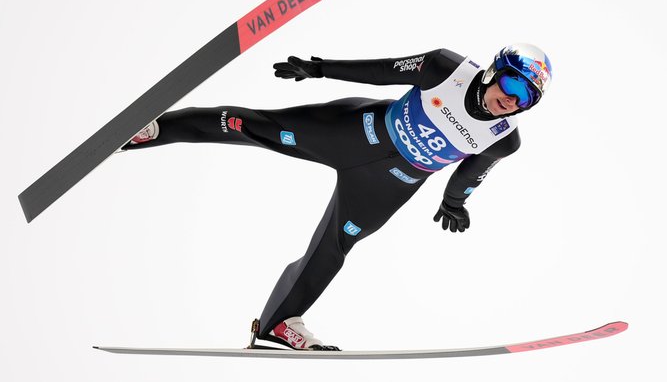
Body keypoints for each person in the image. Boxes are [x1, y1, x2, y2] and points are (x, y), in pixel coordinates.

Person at [123, 43, 553, 351]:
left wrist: (454, 203)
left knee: (334, 246)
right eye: (511, 86)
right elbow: (385, 69)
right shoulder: (446, 68)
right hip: (353, 132)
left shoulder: (503, 140)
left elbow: (473, 173)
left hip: (389, 183)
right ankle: (156, 129)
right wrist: (321, 69)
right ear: (495, 70)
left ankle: (276, 327)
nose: (509, 102)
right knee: (254, 126)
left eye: (524, 100)